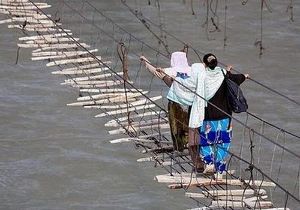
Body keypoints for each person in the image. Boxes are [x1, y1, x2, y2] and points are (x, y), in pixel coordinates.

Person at [168, 53, 249, 174]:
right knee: (223, 141)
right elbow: (236, 79)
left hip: (207, 116)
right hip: (224, 116)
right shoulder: (223, 74)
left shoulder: (200, 76)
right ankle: (220, 169)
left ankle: (209, 163)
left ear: (204, 64)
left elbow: (186, 85)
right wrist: (244, 76)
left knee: (206, 140)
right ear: (216, 63)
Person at [140, 52, 204, 172]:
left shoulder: (170, 74)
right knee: (192, 130)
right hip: (192, 106)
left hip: (176, 105)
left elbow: (155, 71)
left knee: (177, 127)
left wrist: (145, 61)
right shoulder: (194, 73)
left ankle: (180, 147)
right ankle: (196, 155)